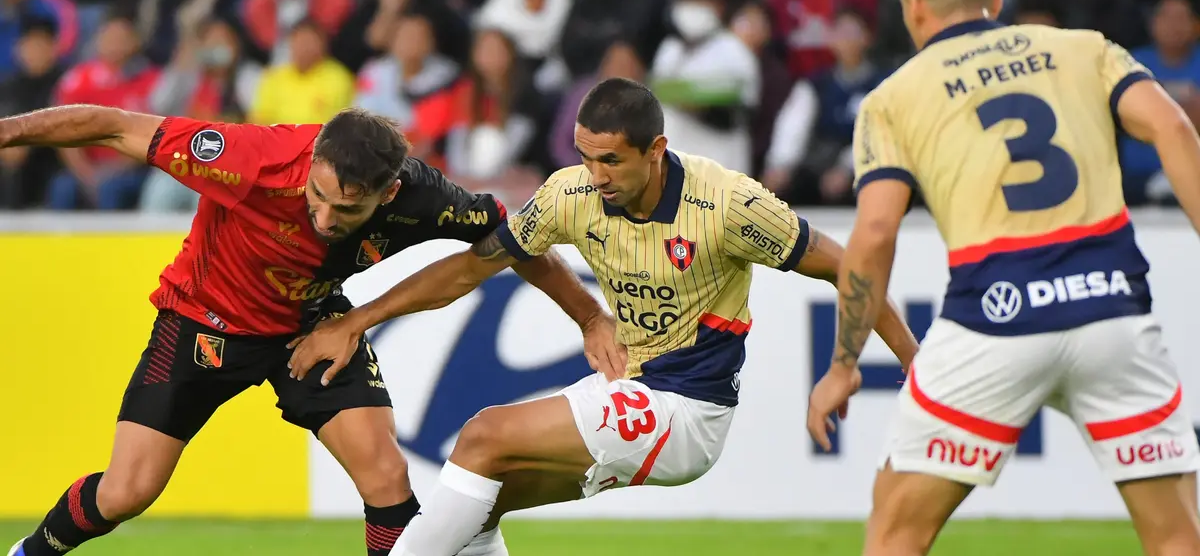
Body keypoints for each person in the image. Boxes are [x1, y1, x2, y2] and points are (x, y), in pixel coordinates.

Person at [287, 77, 921, 556]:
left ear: (657, 150)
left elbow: (851, 264)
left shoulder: (727, 205)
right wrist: (356, 319)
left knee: (483, 436)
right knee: (479, 503)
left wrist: (911, 361)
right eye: (585, 157)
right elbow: (468, 270)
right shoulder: (571, 195)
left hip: (688, 410)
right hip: (634, 388)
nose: (595, 175)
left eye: (611, 160)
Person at [0, 105, 617, 556]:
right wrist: (8, 132)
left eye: (346, 210)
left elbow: (515, 242)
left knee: (386, 476)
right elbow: (111, 125)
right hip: (201, 323)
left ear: (388, 191)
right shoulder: (251, 158)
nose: (323, 217)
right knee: (127, 492)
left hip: (312, 328)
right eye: (315, 196)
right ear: (312, 162)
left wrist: (589, 316)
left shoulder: (428, 198)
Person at [806, 0, 1200, 555]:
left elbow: (879, 228)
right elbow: (1173, 127)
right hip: (1112, 309)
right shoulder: (1083, 48)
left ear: (912, 6)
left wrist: (843, 364)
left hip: (993, 320)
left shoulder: (893, 98)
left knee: (896, 533)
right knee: (1176, 536)